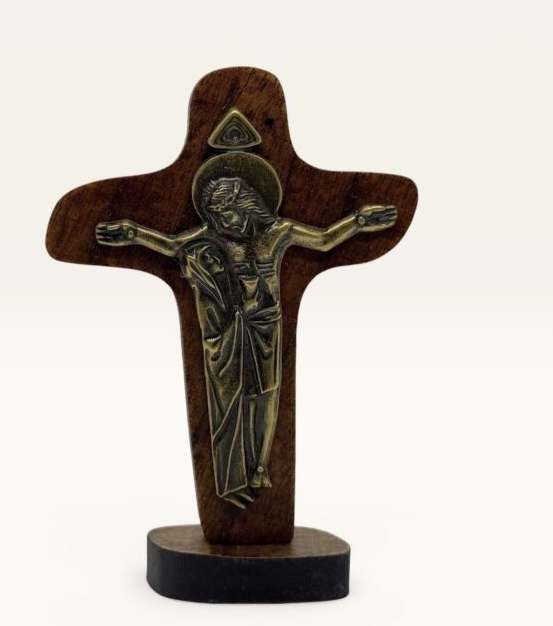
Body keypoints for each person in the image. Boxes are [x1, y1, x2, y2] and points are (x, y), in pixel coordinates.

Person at [95, 153, 397, 508]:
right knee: (233, 398)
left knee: (266, 394)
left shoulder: (278, 232)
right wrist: (133, 233)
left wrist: (358, 222)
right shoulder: (212, 235)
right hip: (230, 331)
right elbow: (174, 246)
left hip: (266, 325)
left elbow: (324, 240)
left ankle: (261, 466)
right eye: (217, 218)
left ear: (248, 206)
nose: (225, 223)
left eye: (230, 215)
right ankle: (236, 473)